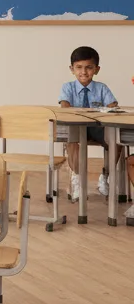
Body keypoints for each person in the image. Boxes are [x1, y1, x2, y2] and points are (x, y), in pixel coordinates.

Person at [58, 46, 117, 200]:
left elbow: (113, 106)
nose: (84, 72)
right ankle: (76, 179)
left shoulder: (102, 88)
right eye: (79, 68)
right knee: (72, 141)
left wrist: (109, 108)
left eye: (89, 68)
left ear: (96, 69)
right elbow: (65, 106)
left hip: (97, 127)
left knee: (116, 141)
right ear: (72, 69)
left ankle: (105, 176)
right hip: (76, 127)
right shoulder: (68, 87)